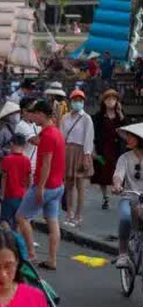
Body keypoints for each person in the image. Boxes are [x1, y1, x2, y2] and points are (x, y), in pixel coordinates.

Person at [15, 99, 65, 270]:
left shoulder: (48, 135)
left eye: (35, 113)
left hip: (46, 185)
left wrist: (41, 187)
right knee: (53, 221)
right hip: (58, 185)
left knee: (21, 217)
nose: (33, 116)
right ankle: (52, 259)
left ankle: (31, 254)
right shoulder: (56, 132)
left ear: (42, 114)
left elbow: (46, 164)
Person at [61, 89, 94, 227]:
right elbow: (62, 136)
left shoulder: (86, 118)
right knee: (68, 185)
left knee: (80, 185)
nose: (77, 103)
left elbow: (89, 137)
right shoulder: (65, 117)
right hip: (67, 150)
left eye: (80, 101)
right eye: (75, 100)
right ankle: (69, 213)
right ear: (71, 101)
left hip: (81, 151)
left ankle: (78, 215)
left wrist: (87, 155)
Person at [111, 123, 143, 268]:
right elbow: (118, 175)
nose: (128, 138)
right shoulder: (125, 158)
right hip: (129, 196)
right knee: (125, 218)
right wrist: (117, 185)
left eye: (131, 136)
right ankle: (122, 254)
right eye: (127, 136)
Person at [92, 89, 128, 210]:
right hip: (103, 149)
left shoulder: (120, 115)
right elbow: (94, 134)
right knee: (103, 173)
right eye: (108, 98)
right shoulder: (98, 117)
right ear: (104, 101)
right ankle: (105, 197)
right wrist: (94, 150)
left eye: (113, 98)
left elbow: (127, 130)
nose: (110, 101)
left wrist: (120, 113)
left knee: (119, 171)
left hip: (118, 149)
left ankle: (122, 195)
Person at [0, 134, 31, 229]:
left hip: (9, 194)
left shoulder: (7, 159)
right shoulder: (26, 160)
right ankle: (16, 239)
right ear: (24, 145)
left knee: (4, 220)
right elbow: (29, 178)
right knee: (17, 221)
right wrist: (28, 191)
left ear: (11, 143)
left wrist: (2, 194)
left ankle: (9, 236)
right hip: (22, 194)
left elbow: (4, 178)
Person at [15, 97, 40, 176]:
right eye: (33, 111)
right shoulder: (21, 126)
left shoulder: (35, 124)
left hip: (35, 167)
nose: (36, 113)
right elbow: (36, 141)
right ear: (24, 111)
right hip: (25, 168)